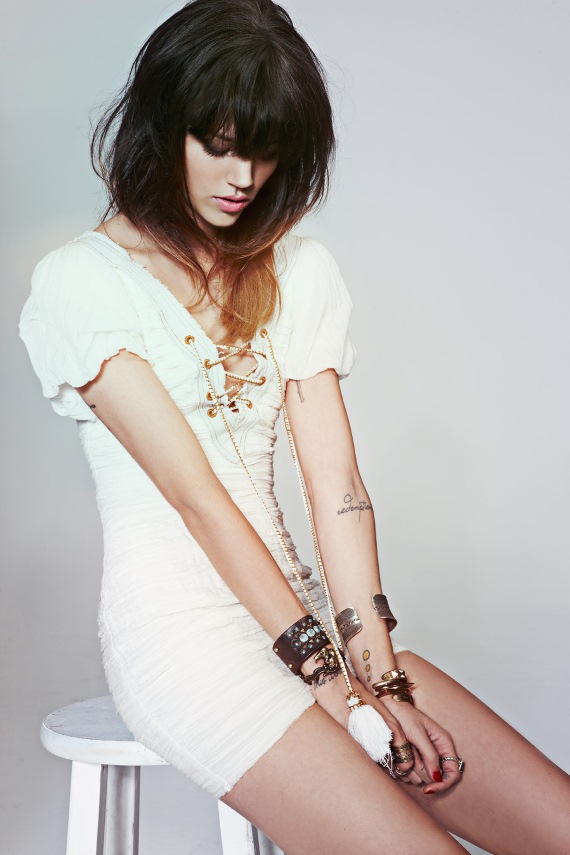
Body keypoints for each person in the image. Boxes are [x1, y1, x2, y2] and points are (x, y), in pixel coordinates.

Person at [19, 1, 570, 852]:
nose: (243, 175)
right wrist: (332, 685)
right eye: (219, 143)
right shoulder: (82, 282)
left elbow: (336, 486)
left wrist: (379, 674)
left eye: (266, 148)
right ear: (163, 126)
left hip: (309, 620)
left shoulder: (298, 269)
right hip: (186, 644)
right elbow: (198, 499)